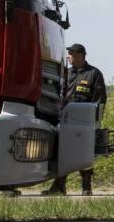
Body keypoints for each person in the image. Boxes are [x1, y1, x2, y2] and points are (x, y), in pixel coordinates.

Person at [45, 43, 107, 196]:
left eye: (71, 54)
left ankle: (86, 188)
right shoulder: (66, 73)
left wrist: (94, 120)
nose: (69, 57)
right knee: (62, 153)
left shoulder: (93, 73)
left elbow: (100, 100)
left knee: (84, 154)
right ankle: (59, 187)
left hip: (84, 122)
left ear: (80, 55)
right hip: (65, 120)